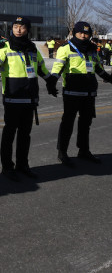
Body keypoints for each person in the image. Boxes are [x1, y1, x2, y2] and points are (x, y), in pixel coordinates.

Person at [0, 16, 53, 181]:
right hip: (12, 98)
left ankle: (23, 165)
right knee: (9, 134)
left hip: (30, 98)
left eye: (22, 27)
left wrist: (50, 82)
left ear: (27, 29)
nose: (18, 29)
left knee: (25, 135)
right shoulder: (5, 47)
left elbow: (41, 68)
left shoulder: (32, 48)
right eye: (15, 26)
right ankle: (7, 167)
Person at [50, 22, 112, 168]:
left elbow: (98, 68)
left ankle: (83, 150)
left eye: (86, 33)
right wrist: (51, 82)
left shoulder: (92, 49)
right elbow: (58, 67)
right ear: (74, 33)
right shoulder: (66, 48)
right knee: (68, 123)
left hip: (89, 92)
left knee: (86, 123)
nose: (83, 36)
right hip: (72, 92)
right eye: (80, 33)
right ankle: (62, 152)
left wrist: (109, 78)